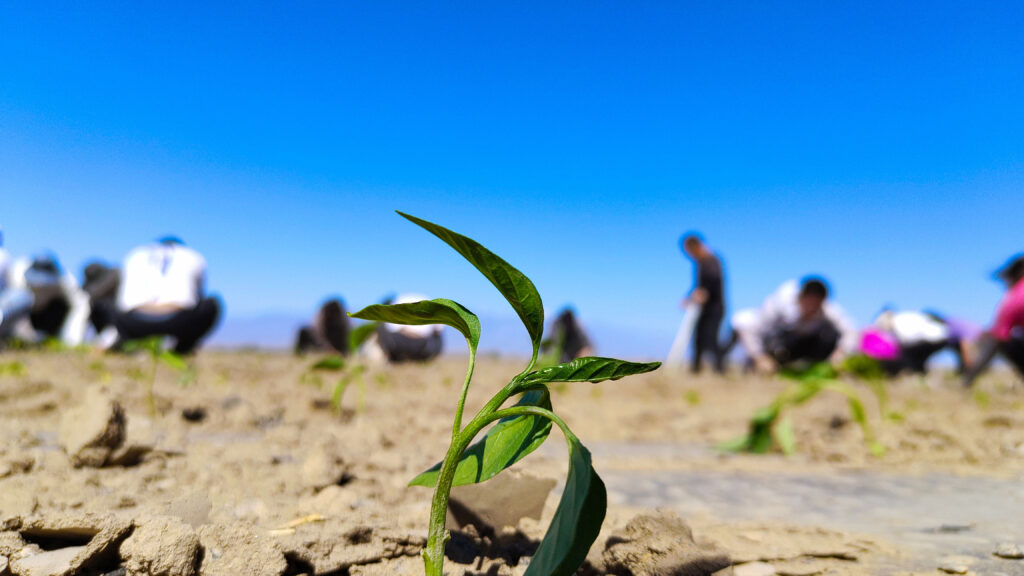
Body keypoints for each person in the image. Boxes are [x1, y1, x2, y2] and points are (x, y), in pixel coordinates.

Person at [98, 237, 221, 354]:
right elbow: (199, 295)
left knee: (103, 302)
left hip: (131, 321)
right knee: (212, 304)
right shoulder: (193, 255)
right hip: (177, 320)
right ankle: (181, 349)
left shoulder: (137, 253)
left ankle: (119, 340)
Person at [729, 276, 857, 373]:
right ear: (800, 298)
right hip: (781, 345)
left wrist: (840, 353)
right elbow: (747, 327)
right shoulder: (779, 305)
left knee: (830, 335)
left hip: (807, 347)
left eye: (816, 304)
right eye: (808, 303)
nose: (811, 308)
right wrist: (759, 357)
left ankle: (815, 368)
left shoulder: (828, 310)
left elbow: (851, 331)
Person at [2, 250, 90, 346]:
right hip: (24, 312)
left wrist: (70, 340)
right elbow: (9, 303)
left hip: (49, 315)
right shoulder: (18, 271)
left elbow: (80, 306)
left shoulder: (66, 281)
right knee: (19, 298)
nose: (39, 285)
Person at [962, 254, 1024, 387]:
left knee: (997, 340)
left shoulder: (1015, 298)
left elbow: (998, 337)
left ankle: (967, 381)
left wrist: (970, 377)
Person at [863, 309, 980, 375]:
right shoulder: (905, 315)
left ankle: (916, 373)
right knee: (917, 357)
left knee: (908, 356)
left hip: (933, 339)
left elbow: (905, 342)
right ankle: (920, 372)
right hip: (941, 337)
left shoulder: (899, 321)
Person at [680, 233, 726, 374]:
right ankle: (696, 370)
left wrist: (704, 293)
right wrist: (689, 298)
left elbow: (713, 281)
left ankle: (719, 370)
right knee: (698, 338)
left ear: (695, 247)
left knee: (711, 338)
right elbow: (698, 286)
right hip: (703, 308)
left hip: (715, 308)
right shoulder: (700, 263)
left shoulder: (711, 260)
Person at [369, 293, 442, 363]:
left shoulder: (396, 303)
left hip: (401, 342)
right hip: (425, 344)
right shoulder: (427, 300)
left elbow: (391, 328)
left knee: (380, 323)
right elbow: (438, 329)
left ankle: (394, 357)